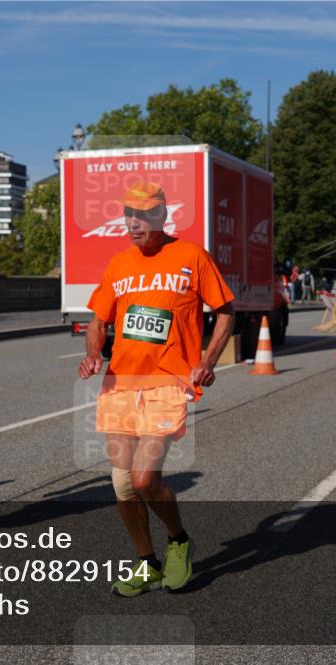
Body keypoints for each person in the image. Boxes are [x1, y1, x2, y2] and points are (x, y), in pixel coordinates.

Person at [78, 182, 235, 596]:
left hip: (168, 384)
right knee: (122, 485)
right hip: (120, 385)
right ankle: (146, 562)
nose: (133, 222)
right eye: (128, 214)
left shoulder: (191, 257)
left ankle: (178, 539)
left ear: (162, 216)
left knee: (145, 478)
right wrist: (95, 352)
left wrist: (207, 360)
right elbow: (98, 321)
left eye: (143, 215)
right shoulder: (119, 264)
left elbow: (225, 313)